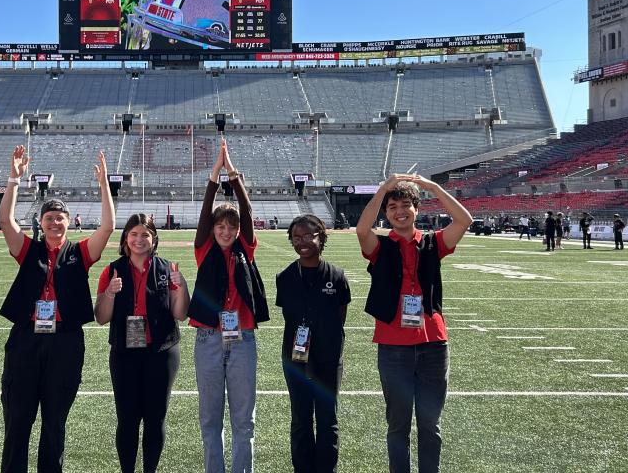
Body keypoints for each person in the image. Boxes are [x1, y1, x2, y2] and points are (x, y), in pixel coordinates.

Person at [0, 147, 116, 473]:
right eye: (49, 217)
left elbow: (107, 227)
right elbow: (4, 220)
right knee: (18, 421)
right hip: (26, 340)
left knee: (54, 424)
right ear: (41, 221)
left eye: (59, 217)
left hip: (65, 342)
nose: (54, 222)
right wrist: (14, 179)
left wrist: (104, 185)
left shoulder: (80, 253)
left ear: (69, 222)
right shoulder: (28, 250)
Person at [356, 174, 472, 473]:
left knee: (430, 425)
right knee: (397, 426)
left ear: (417, 209)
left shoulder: (434, 242)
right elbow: (362, 229)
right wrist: (382, 189)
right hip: (393, 346)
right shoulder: (381, 247)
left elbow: (464, 220)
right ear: (386, 212)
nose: (399, 211)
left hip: (434, 344)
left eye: (406, 204)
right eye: (392, 206)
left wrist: (433, 187)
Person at [188, 138, 269, 473]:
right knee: (210, 420)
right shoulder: (203, 249)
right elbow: (206, 217)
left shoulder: (245, 250)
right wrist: (213, 176)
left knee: (243, 421)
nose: (224, 231)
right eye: (220, 227)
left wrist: (232, 175)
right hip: (208, 338)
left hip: (243, 341)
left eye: (230, 227)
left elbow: (246, 212)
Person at [94, 213, 189, 473]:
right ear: (125, 239)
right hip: (125, 354)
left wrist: (183, 288)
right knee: (127, 419)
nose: (139, 239)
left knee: (155, 418)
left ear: (153, 239)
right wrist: (109, 293)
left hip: (162, 352)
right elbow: (101, 317)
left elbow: (180, 314)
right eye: (133, 234)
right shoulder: (112, 269)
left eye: (145, 234)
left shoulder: (167, 268)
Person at [276, 214, 350, 473]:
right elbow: (288, 315)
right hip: (295, 359)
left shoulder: (337, 276)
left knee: (328, 419)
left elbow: (340, 315)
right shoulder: (285, 276)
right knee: (300, 419)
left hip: (328, 357)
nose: (303, 242)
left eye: (309, 236)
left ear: (322, 237)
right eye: (297, 237)